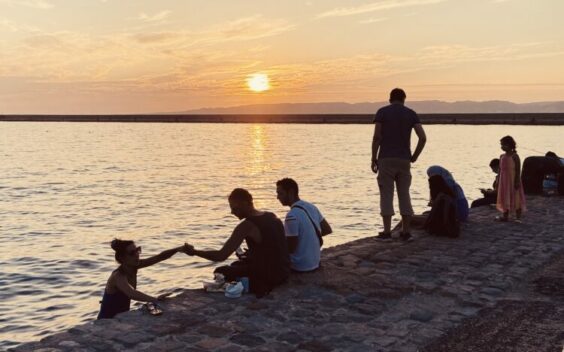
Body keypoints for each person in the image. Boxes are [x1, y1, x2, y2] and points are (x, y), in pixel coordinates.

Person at [184, 188, 290, 297]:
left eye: (234, 207)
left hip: (268, 276)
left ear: (244, 204)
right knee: (237, 264)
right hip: (283, 271)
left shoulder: (247, 225)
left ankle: (245, 285)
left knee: (221, 270)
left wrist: (195, 252)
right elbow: (273, 246)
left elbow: (221, 255)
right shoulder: (271, 216)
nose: (232, 212)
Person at [371, 88, 427, 241]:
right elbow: (422, 138)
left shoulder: (382, 112)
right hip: (404, 160)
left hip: (386, 159)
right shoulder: (411, 113)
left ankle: (387, 232)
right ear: (404, 99)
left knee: (386, 194)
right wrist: (414, 156)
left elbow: (377, 137)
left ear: (390, 98)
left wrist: (373, 158)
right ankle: (406, 231)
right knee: (404, 194)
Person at [97, 239, 185, 319]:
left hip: (121, 318)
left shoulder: (134, 266)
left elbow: (159, 257)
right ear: (122, 258)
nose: (137, 255)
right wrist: (155, 299)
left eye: (137, 250)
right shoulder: (118, 276)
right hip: (107, 320)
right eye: (132, 253)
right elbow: (131, 293)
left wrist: (177, 249)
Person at [276, 178, 332, 272]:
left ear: (291, 192)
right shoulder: (311, 207)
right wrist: (308, 237)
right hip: (315, 262)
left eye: (280, 193)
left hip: (300, 266)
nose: (277, 197)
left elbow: (291, 248)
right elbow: (327, 229)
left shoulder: (291, 215)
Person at [496, 136, 526, 221]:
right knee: (504, 196)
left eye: (503, 145)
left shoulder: (515, 156)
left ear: (509, 145)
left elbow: (518, 169)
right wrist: (498, 180)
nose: (502, 147)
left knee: (516, 197)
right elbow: (500, 169)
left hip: (512, 179)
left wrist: (517, 181)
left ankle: (518, 217)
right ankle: (505, 215)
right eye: (501, 145)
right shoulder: (502, 156)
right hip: (504, 180)